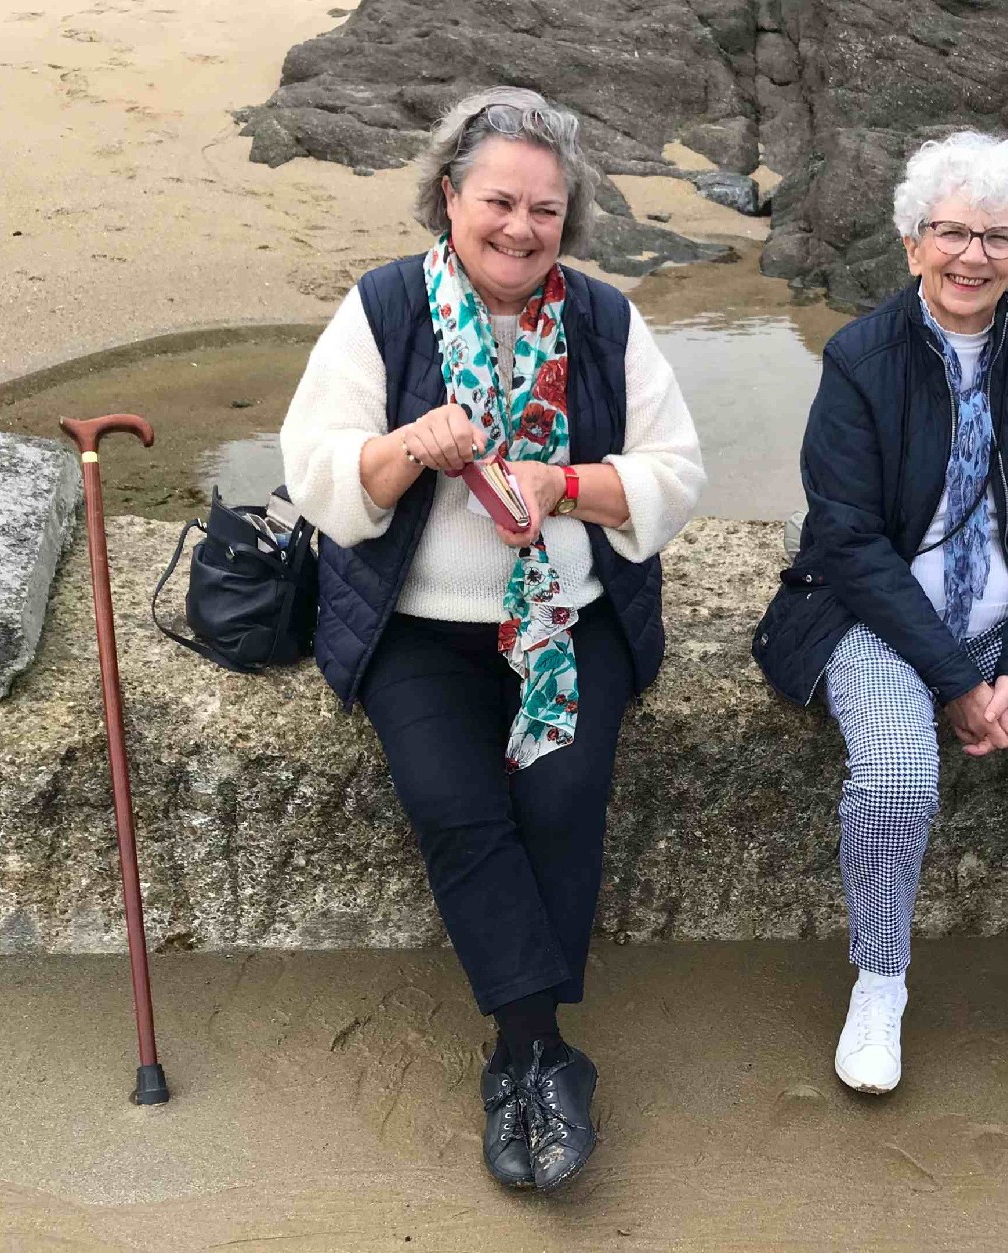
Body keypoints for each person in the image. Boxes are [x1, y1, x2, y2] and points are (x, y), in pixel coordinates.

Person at [280, 86, 704, 1191]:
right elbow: (322, 473)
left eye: (546, 211)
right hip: (417, 629)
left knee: (561, 801)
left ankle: (523, 1053)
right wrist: (408, 448)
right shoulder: (383, 308)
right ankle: (539, 1049)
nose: (521, 228)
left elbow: (676, 472)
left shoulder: (607, 322)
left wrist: (558, 480)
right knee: (457, 805)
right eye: (499, 202)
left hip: (569, 622)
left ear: (570, 222)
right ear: (448, 198)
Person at [752, 131, 1008, 1093]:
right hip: (883, 619)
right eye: (953, 232)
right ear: (912, 243)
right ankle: (880, 981)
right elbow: (845, 539)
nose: (974, 255)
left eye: (1000, 237)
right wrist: (957, 680)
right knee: (895, 779)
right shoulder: (858, 357)